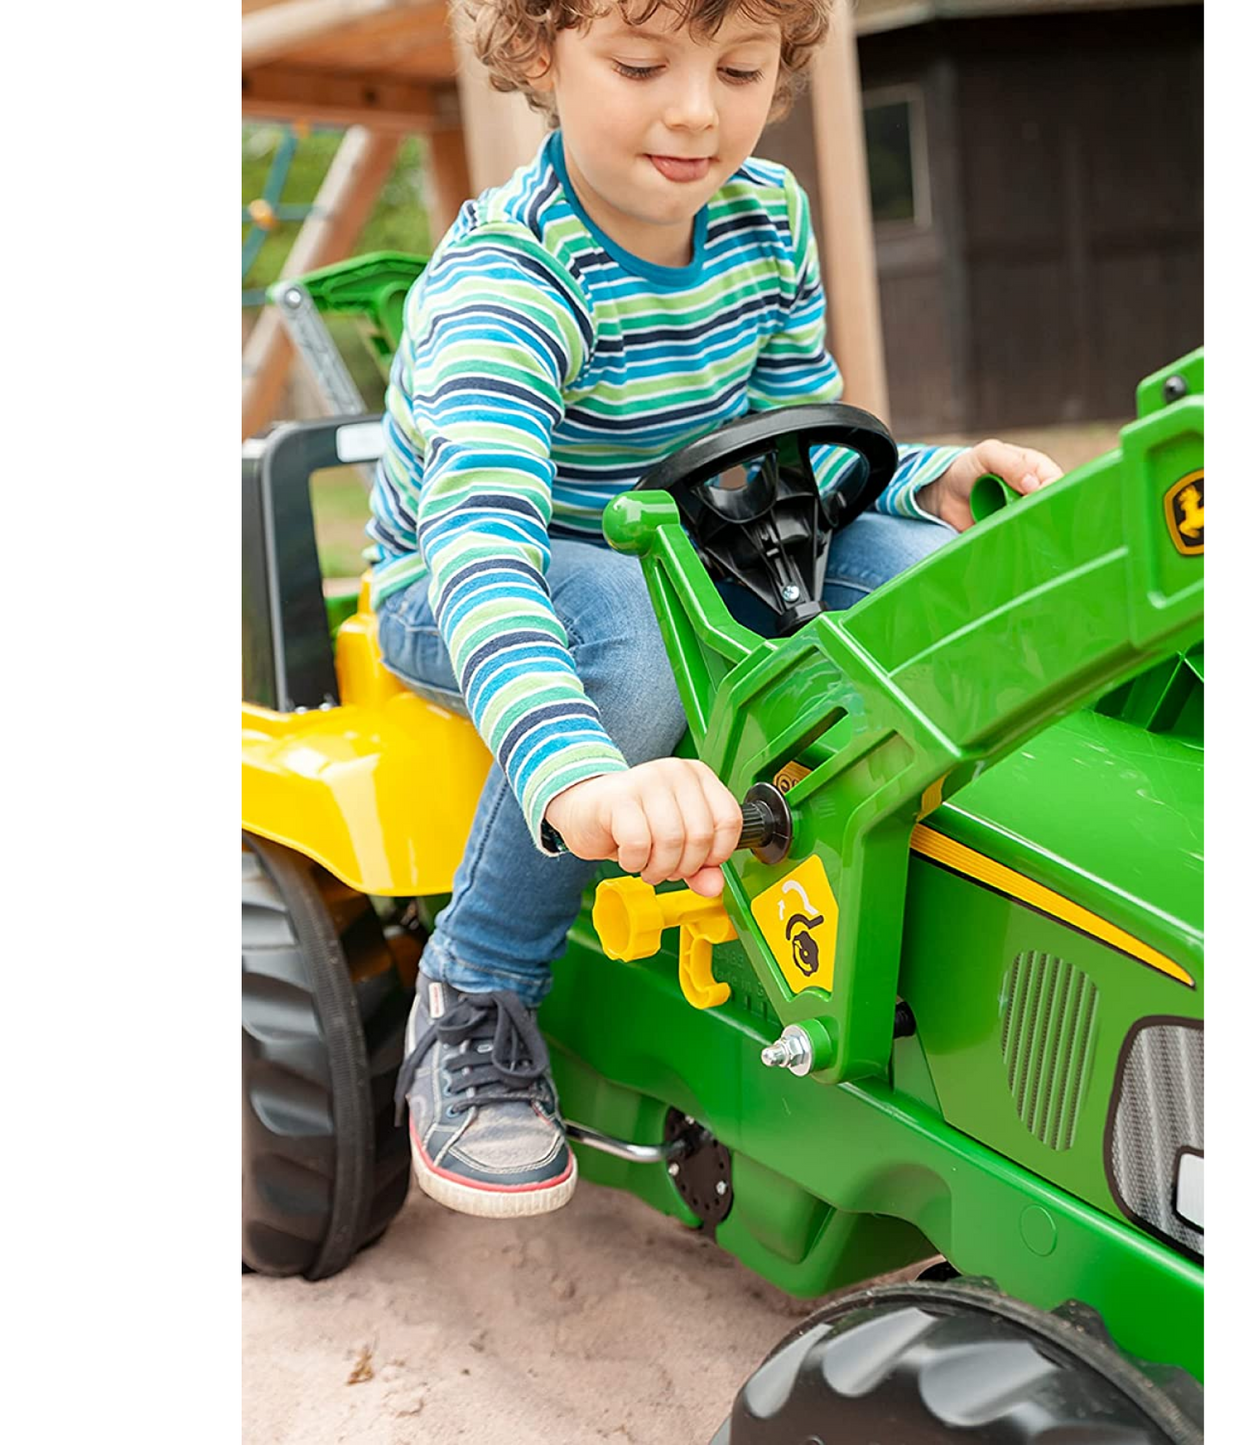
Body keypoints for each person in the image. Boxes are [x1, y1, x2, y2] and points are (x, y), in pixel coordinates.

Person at [368, 0, 1064, 1219]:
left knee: (925, 595)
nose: (697, 109)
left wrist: (926, 477)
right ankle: (476, 985)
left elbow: (798, 440)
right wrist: (578, 772)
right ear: (540, 55)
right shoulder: (508, 285)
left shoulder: (765, 217)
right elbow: (480, 547)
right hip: (469, 576)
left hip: (687, 541)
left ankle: (911, 902)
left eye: (738, 69)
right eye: (642, 64)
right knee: (634, 651)